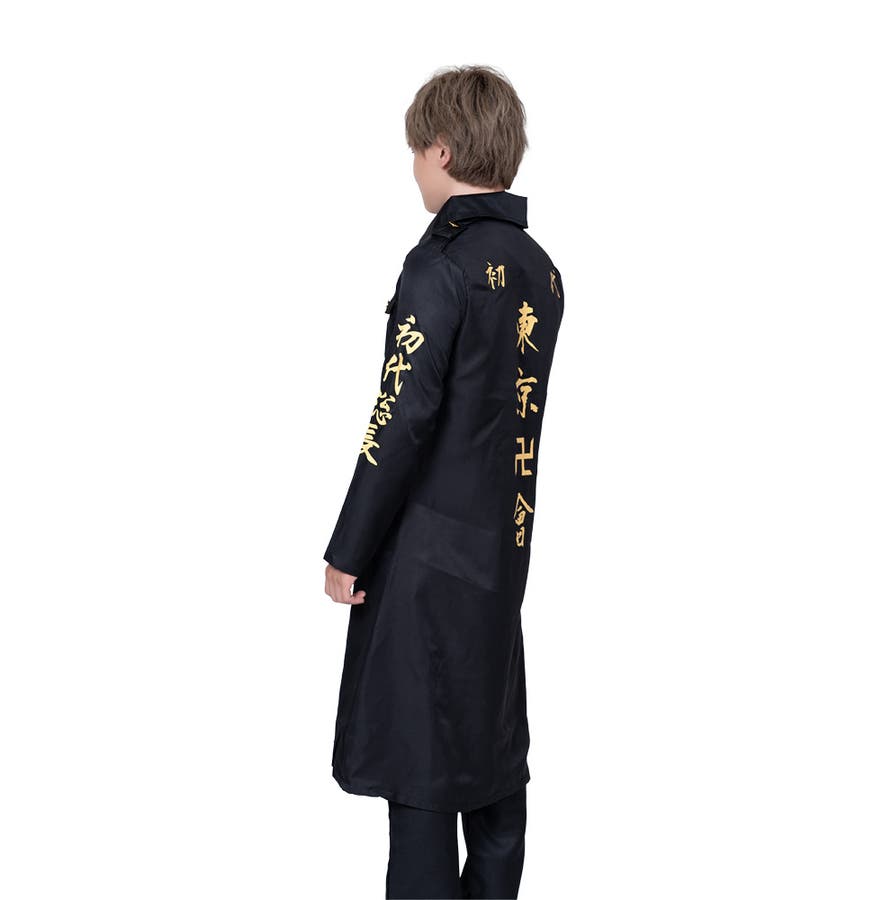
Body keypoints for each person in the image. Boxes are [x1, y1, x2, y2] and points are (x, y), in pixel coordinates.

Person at [323, 64, 565, 899]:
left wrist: (348, 549)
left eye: (416, 154)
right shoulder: (540, 269)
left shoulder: (441, 266)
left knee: (423, 776)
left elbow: (399, 420)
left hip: (425, 567)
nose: (414, 171)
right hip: (500, 561)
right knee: (494, 777)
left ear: (442, 150)